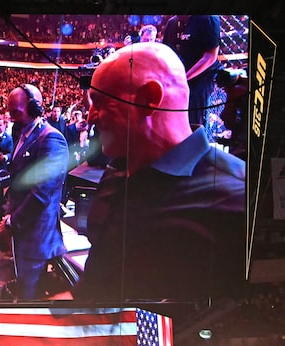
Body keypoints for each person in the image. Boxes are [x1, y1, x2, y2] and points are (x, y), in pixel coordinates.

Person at [69, 42, 245, 305]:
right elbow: (101, 277)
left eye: (100, 102)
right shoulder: (116, 171)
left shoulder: (237, 200)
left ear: (149, 99)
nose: (90, 117)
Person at [0, 84, 68, 299]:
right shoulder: (23, 133)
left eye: (16, 112)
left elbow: (41, 193)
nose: (11, 117)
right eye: (9, 111)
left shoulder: (51, 139)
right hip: (23, 229)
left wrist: (12, 222)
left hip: (36, 235)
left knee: (28, 299)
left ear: (35, 107)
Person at [163, 15, 221, 130]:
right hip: (179, 74)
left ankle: (195, 141)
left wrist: (185, 78)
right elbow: (166, 52)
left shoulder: (207, 18)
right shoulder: (172, 23)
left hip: (202, 75)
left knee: (192, 112)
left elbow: (210, 56)